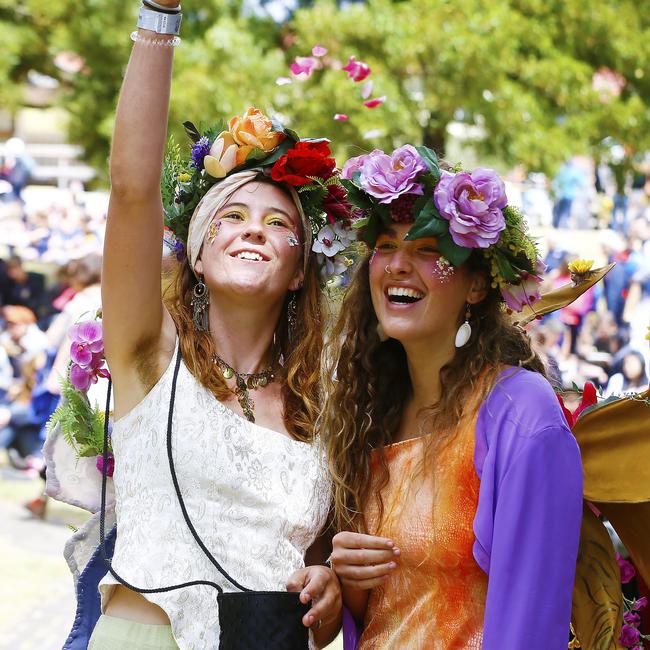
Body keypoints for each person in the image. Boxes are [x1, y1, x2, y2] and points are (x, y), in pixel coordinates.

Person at [45, 2, 355, 648]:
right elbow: (132, 189)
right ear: (196, 253)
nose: (252, 230)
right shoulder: (148, 356)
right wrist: (161, 15)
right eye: (230, 218)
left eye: (277, 224)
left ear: (300, 270)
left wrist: (329, 585)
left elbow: (319, 566)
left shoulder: (324, 404)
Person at [323, 147, 583, 649]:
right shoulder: (371, 410)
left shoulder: (521, 414)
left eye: (426, 250)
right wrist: (351, 583)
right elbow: (388, 614)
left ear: (478, 285)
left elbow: (531, 627)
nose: (397, 265)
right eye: (384, 245)